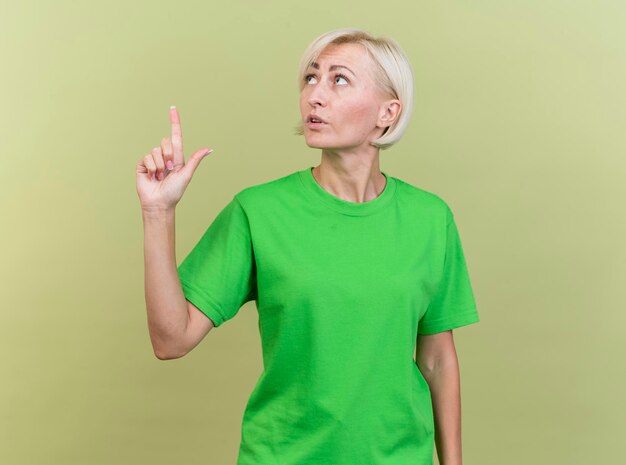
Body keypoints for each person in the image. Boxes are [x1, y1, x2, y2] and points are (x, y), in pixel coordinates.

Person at [136, 27, 480, 465]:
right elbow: (171, 340)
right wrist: (157, 214)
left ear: (387, 113)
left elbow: (437, 360)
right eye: (311, 78)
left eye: (339, 79)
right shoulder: (259, 211)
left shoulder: (430, 218)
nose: (315, 95)